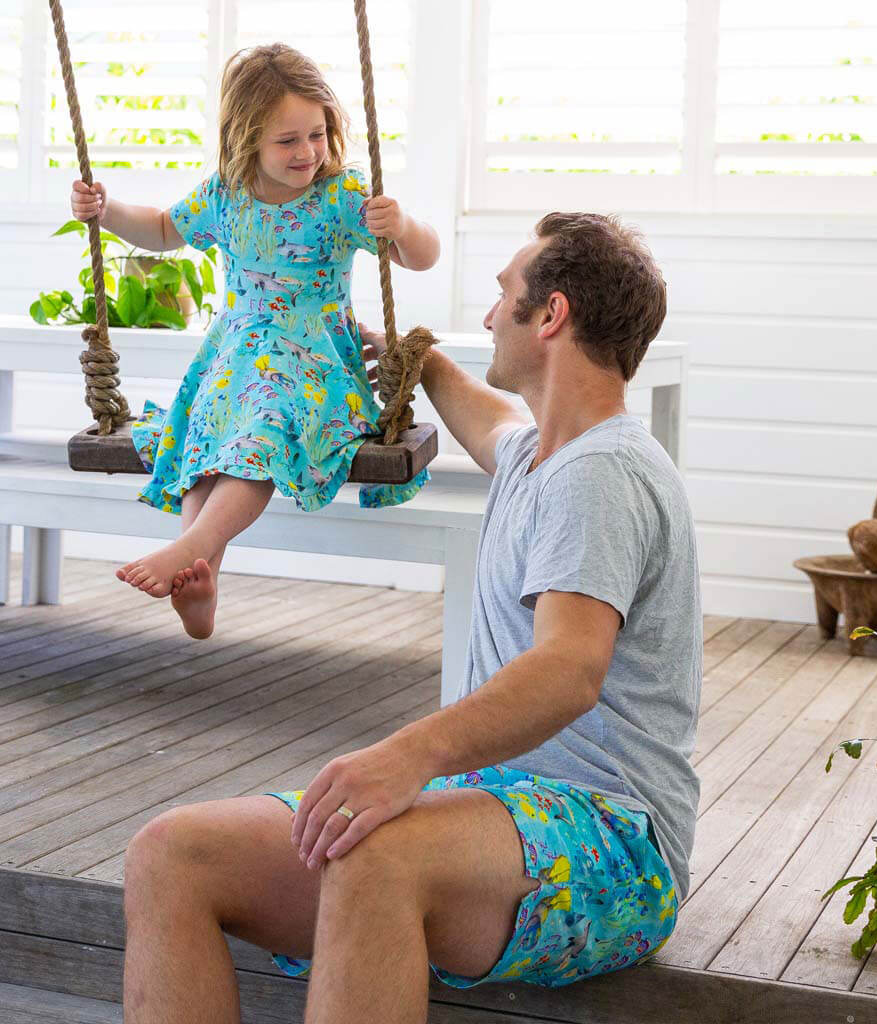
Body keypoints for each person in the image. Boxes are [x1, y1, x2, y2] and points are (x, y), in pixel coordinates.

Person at [121, 212, 701, 1024]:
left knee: (379, 853)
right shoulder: (543, 453)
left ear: (552, 316)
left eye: (505, 296)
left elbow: (570, 669)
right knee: (172, 855)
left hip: (615, 842)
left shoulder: (602, 474)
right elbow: (484, 420)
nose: (492, 315)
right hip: (496, 807)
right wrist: (414, 358)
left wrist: (405, 757)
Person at [68, 43, 440, 639]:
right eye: (287, 141)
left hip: (313, 369)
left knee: (263, 426)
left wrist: (404, 227)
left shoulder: (342, 196)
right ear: (246, 141)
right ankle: (200, 576)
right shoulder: (226, 193)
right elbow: (164, 229)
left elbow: (420, 257)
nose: (308, 152)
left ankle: (190, 550)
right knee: (207, 433)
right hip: (234, 360)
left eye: (316, 134)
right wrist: (107, 211)